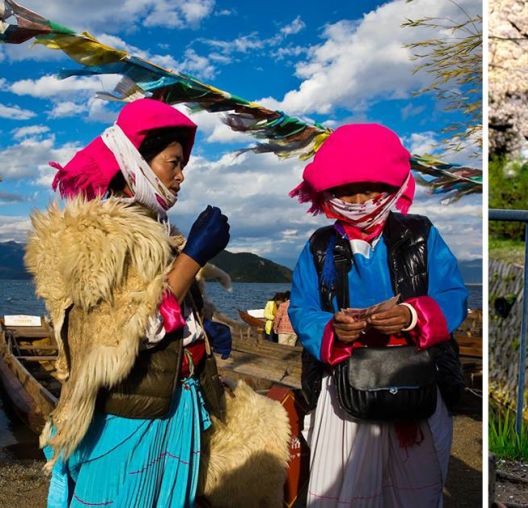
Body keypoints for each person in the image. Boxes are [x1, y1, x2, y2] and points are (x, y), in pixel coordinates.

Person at [25, 98, 289, 506]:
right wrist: (193, 257)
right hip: (129, 418)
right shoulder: (96, 236)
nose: (181, 176)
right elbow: (124, 330)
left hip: (174, 406)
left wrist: (198, 330)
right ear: (136, 164)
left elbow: (168, 312)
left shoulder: (157, 232)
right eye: (173, 162)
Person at [288, 123, 468, 507]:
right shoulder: (320, 247)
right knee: (343, 494)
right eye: (347, 191)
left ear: (392, 187)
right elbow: (302, 307)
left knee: (415, 491)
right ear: (329, 194)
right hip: (345, 385)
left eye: (371, 189)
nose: (360, 200)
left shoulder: (421, 235)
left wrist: (412, 315)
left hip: (418, 382)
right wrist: (331, 330)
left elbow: (453, 294)